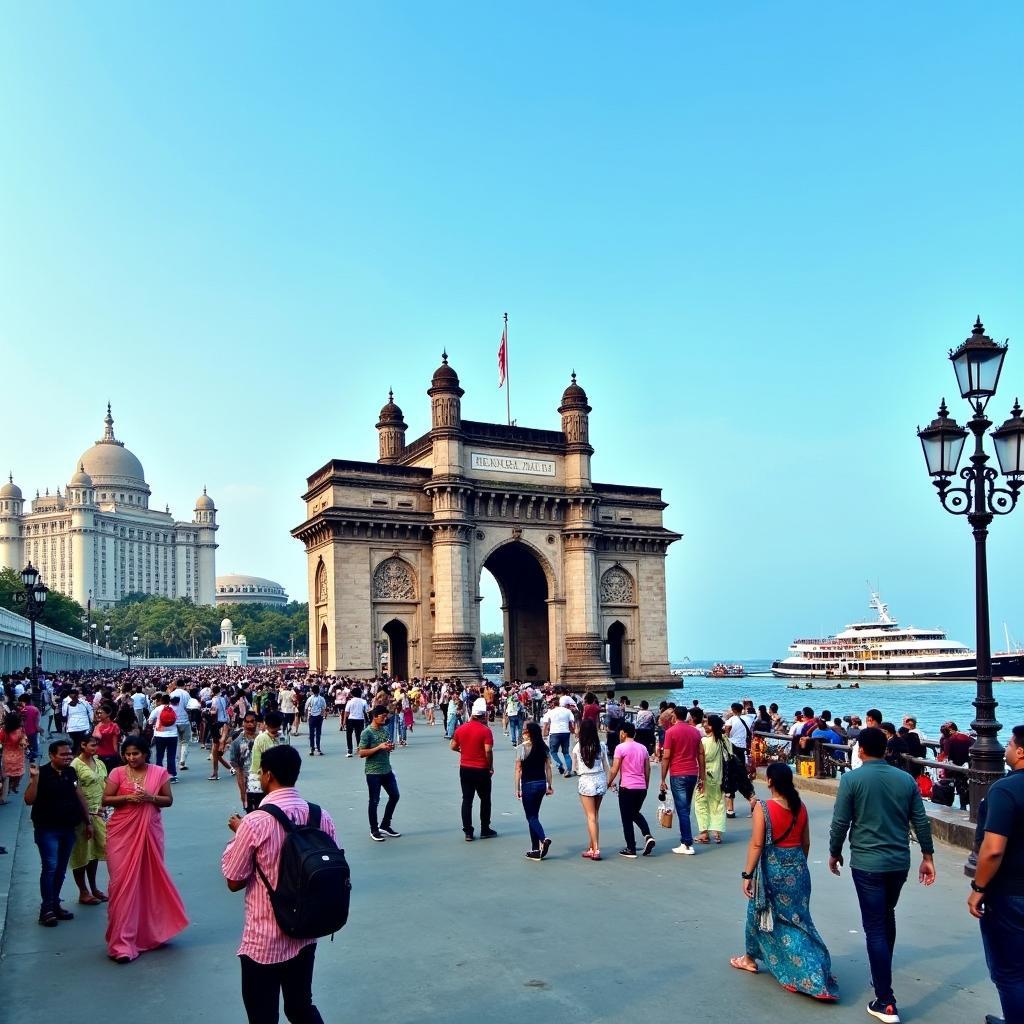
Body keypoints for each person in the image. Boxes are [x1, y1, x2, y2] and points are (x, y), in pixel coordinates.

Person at [829, 727, 935, 1023]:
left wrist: (834, 852)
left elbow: (840, 822)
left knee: (875, 926)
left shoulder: (851, 779)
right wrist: (927, 856)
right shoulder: (905, 779)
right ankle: (881, 974)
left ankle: (886, 1000)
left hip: (866, 863)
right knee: (887, 916)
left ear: (860, 750)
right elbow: (920, 821)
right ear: (886, 750)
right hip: (898, 862)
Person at [221, 744, 334, 1024]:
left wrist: (239, 833)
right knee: (300, 1006)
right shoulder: (320, 815)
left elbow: (234, 880)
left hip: (264, 937)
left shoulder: (255, 822)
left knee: (262, 1015)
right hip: (306, 931)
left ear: (268, 775)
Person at [730, 762, 838, 1000]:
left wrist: (747, 875)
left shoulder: (763, 808)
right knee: (799, 920)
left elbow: (757, 844)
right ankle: (818, 964)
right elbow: (805, 842)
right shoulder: (801, 806)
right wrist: (798, 866)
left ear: (769, 781)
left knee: (758, 914)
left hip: (772, 870)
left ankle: (751, 959)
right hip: (798, 870)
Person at [101, 735, 189, 962]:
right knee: (121, 884)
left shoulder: (159, 772)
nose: (131, 758)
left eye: (136, 754)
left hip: (149, 832)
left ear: (145, 754)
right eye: (128, 754)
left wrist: (150, 797)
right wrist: (128, 797)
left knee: (147, 882)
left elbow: (168, 800)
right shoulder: (117, 773)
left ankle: (148, 934)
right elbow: (106, 799)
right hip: (121, 833)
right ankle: (121, 942)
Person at [968, 723, 1024, 1024]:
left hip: (1011, 892)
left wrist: (979, 887)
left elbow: (993, 849)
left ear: (1021, 751)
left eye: (1010, 743)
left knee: (1010, 971)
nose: (1006, 748)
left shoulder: (1005, 788)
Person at [24, 739, 90, 926]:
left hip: (68, 828)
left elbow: (79, 796)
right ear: (52, 755)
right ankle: (46, 909)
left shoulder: (70, 772)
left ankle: (55, 904)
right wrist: (35, 779)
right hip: (47, 829)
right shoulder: (42, 773)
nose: (67, 757)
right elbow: (29, 800)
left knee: (60, 869)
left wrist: (88, 820)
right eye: (63, 754)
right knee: (50, 867)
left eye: (69, 754)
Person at [659, 704, 706, 856]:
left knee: (682, 809)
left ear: (674, 716)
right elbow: (701, 754)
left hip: (678, 773)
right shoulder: (695, 732)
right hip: (692, 772)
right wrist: (702, 775)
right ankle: (685, 841)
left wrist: (662, 777)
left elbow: (666, 756)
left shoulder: (670, 732)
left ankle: (686, 842)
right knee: (685, 807)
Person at [70, 733, 108, 905]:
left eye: (96, 746)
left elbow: (105, 784)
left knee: (95, 853)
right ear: (83, 745)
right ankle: (83, 891)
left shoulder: (99, 762)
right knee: (81, 853)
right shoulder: (74, 766)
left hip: (99, 814)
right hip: (82, 815)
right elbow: (74, 792)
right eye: (92, 745)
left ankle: (93, 887)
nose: (95, 748)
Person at [607, 721, 655, 859]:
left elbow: (614, 769)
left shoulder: (620, 748)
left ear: (623, 733)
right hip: (641, 787)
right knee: (635, 813)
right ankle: (647, 835)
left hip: (627, 787)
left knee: (626, 818)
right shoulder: (643, 748)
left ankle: (631, 848)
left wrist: (608, 782)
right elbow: (648, 769)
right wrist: (646, 785)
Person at [451, 697, 496, 841]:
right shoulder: (485, 731)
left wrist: (463, 751)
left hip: (465, 768)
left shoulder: (461, 728)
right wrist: (490, 767)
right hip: (481, 768)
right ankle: (485, 828)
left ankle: (468, 832)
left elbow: (452, 746)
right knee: (485, 799)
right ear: (484, 715)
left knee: (467, 800)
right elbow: (488, 750)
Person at [359, 705, 401, 841]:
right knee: (374, 801)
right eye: (383, 716)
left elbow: (385, 747)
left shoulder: (384, 731)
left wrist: (389, 748)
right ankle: (374, 829)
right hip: (373, 772)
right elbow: (361, 752)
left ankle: (385, 824)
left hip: (386, 769)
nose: (385, 719)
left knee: (395, 796)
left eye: (386, 716)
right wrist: (379, 747)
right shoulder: (367, 732)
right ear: (375, 716)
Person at [514, 719, 553, 861]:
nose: (523, 733)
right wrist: (549, 785)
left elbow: (518, 770)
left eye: (525, 732)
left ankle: (543, 839)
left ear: (529, 734)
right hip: (541, 783)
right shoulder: (543, 747)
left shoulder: (521, 748)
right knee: (534, 816)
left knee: (530, 816)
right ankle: (535, 849)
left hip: (528, 784)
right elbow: (548, 768)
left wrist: (517, 788)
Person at [571, 716, 608, 860]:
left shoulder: (577, 747)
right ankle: (592, 846)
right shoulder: (602, 746)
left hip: (586, 780)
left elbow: (575, 768)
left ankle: (596, 849)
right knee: (595, 815)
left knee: (590, 816)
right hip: (600, 779)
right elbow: (607, 766)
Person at [694, 712, 729, 845]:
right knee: (718, 804)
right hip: (718, 776)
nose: (704, 724)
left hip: (705, 776)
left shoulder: (704, 741)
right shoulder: (723, 740)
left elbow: (701, 759)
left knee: (701, 803)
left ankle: (704, 833)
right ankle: (717, 832)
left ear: (712, 726)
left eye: (706, 723)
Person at [724, 701, 756, 817]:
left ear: (733, 710)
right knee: (742, 775)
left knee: (729, 777)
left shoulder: (731, 720)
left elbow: (726, 734)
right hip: (742, 749)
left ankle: (730, 809)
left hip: (731, 749)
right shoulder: (748, 718)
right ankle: (752, 801)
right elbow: (754, 714)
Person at [229, 713, 261, 813]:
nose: (250, 724)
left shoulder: (262, 739)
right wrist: (242, 792)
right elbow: (238, 769)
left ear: (256, 722)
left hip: (263, 781)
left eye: (252, 721)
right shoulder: (236, 743)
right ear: (243, 723)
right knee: (251, 813)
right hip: (248, 783)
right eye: (247, 722)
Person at [541, 698, 575, 777]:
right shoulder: (567, 711)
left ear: (552, 704)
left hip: (554, 733)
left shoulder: (550, 712)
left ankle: (559, 765)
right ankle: (568, 770)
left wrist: (543, 735)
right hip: (565, 732)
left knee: (553, 752)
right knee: (566, 753)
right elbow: (571, 722)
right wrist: (573, 731)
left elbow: (545, 724)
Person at [149, 694, 179, 781]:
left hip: (160, 735)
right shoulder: (174, 708)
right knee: (171, 756)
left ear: (161, 701)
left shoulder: (157, 709)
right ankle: (172, 775)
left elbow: (150, 720)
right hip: (173, 735)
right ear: (169, 700)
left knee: (159, 755)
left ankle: (159, 775)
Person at [1, 711, 28, 802]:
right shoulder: (20, 730)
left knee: (7, 775)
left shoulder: (3, 731)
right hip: (18, 755)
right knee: (20, 773)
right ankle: (14, 786)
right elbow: (24, 741)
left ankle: (7, 790)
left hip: (6, 755)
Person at [342, 687, 367, 757]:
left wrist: (344, 722)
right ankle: (359, 749)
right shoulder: (363, 701)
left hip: (351, 719)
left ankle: (349, 750)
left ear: (352, 694)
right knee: (359, 735)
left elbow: (346, 712)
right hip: (360, 719)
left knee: (349, 735)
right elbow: (366, 711)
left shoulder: (350, 701)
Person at [304, 686, 326, 756]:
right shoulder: (322, 698)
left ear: (312, 691)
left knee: (311, 733)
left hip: (312, 717)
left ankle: (312, 748)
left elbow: (306, 708)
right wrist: (322, 716)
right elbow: (324, 708)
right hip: (319, 717)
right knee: (318, 733)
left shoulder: (310, 698)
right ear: (319, 691)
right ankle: (318, 748)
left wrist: (306, 716)